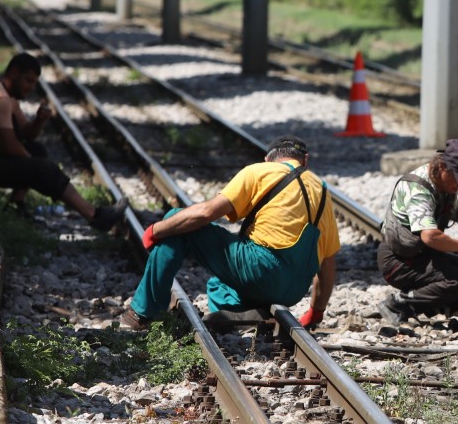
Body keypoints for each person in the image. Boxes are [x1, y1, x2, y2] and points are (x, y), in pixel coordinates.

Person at [124, 135, 339, 332]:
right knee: (219, 285)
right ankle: (241, 315)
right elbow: (328, 265)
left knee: (176, 218)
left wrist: (154, 230)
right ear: (305, 160)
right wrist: (316, 312)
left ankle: (142, 312)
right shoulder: (322, 191)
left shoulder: (259, 172)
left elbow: (205, 213)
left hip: (261, 271)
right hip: (294, 290)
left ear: (267, 159)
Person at [0, 53, 127, 230]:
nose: (31, 87)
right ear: (13, 73)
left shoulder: (9, 97)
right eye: (28, 80)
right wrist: (36, 165)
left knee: (38, 150)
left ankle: (15, 204)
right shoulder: (1, 98)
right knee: (42, 168)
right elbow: (10, 146)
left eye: (34, 83)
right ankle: (94, 215)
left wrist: (39, 120)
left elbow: (28, 135)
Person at [377, 138, 458, 324]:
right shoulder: (418, 189)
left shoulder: (445, 186)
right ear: (442, 168)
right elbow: (430, 236)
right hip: (399, 261)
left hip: (424, 255)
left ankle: (436, 303)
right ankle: (398, 304)